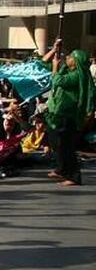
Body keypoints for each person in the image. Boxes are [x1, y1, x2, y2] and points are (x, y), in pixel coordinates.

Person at [46, 49, 94, 187]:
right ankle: (61, 169)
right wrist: (56, 50)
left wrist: (56, 66)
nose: (67, 58)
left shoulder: (77, 76)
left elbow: (58, 80)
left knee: (66, 146)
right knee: (55, 141)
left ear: (76, 61)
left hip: (68, 116)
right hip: (60, 113)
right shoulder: (71, 72)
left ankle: (74, 176)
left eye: (70, 57)